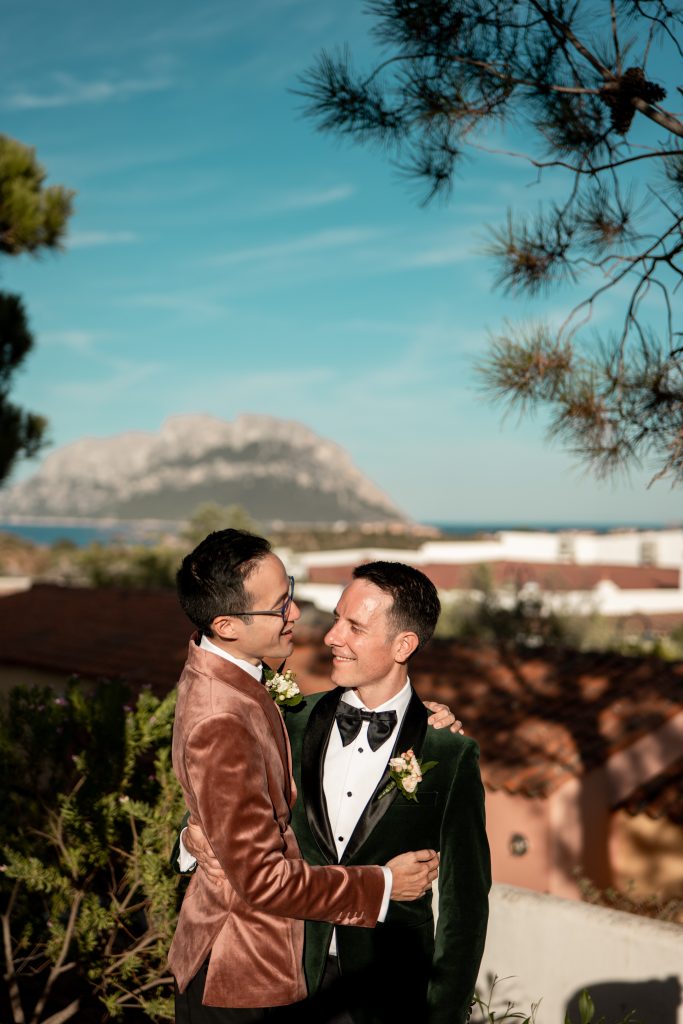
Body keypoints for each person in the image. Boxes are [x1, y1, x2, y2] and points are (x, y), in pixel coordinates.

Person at [185, 559, 490, 1024]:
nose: (332, 637)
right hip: (283, 977)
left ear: (403, 645)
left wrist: (443, 1012)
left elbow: (464, 904)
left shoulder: (449, 752)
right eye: (335, 619)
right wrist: (189, 838)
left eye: (355, 627)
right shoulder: (286, 721)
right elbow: (218, 800)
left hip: (388, 991)